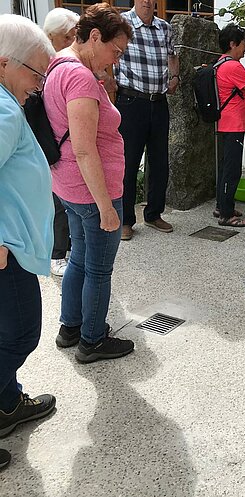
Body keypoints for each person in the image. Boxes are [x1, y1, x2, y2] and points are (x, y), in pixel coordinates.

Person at [43, 3, 135, 363]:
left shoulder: (59, 64)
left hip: (69, 186)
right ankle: (92, 340)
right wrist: (106, 208)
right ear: (95, 36)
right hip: (92, 191)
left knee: (79, 258)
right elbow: (84, 149)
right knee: (98, 268)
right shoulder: (80, 77)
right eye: (116, 51)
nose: (116, 60)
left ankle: (71, 327)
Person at [0, 13, 57, 460]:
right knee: (21, 333)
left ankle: (8, 404)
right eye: (36, 73)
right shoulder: (3, 109)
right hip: (8, 247)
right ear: (4, 63)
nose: (39, 85)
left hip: (12, 241)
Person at [114, 0, 179, 241]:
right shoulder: (122, 23)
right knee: (129, 163)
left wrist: (175, 76)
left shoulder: (164, 27)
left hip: (159, 102)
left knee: (160, 162)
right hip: (130, 101)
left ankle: (153, 214)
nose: (148, 2)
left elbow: (173, 55)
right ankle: (125, 220)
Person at [42, 7, 79, 277]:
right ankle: (57, 254)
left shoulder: (72, 64)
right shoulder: (42, 63)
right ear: (50, 36)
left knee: (68, 202)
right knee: (57, 202)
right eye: (67, 37)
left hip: (68, 142)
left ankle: (69, 249)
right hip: (49, 143)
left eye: (74, 36)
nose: (71, 42)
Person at [213, 23, 245, 228]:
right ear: (233, 44)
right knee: (232, 170)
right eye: (243, 44)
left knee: (225, 167)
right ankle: (226, 215)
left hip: (223, 123)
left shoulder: (219, 63)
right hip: (233, 124)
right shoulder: (233, 66)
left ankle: (221, 206)